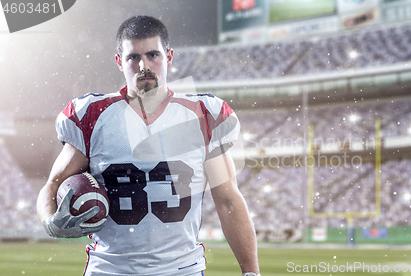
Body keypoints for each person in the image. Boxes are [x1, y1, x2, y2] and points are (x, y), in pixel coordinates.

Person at [36, 15, 260, 276]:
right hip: (109, 270)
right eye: (133, 57)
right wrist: (50, 220)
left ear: (169, 57)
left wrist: (251, 272)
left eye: (153, 54)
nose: (143, 65)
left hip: (182, 270)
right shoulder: (91, 115)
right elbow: (52, 185)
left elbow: (228, 200)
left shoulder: (204, 115)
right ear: (119, 61)